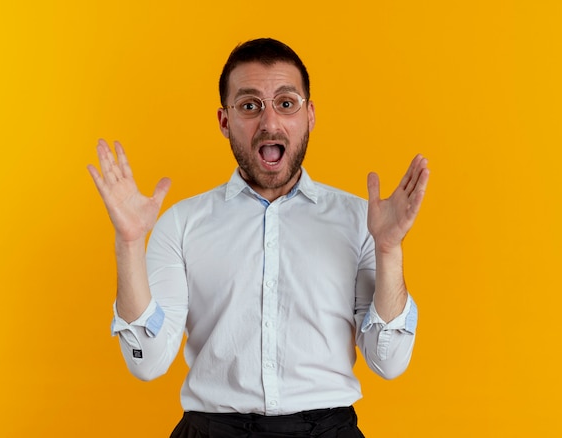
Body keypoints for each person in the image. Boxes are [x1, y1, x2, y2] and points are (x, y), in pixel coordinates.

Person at [88, 38, 429, 437]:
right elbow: (146, 363)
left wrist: (388, 249)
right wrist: (129, 243)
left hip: (326, 429)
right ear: (224, 120)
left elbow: (388, 362)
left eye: (286, 103)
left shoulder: (362, 222)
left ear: (310, 115)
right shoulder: (181, 224)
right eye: (250, 106)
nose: (269, 122)